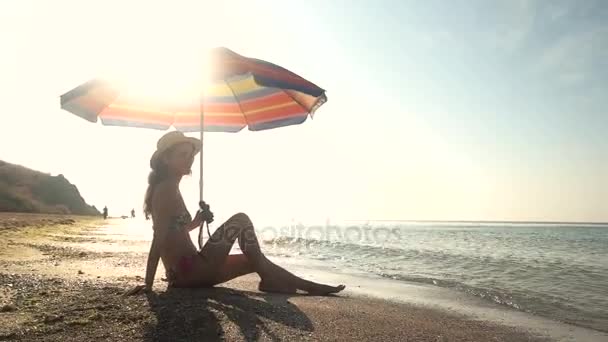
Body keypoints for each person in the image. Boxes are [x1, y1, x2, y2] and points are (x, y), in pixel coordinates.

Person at [132, 131, 345, 295]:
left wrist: (198, 220)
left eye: (191, 155)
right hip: (191, 270)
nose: (189, 160)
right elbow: (159, 238)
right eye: (183, 155)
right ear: (166, 160)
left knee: (253, 260)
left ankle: (306, 285)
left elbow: (175, 232)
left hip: (191, 272)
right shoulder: (166, 189)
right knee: (241, 219)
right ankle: (294, 284)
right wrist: (148, 284)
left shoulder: (169, 188)